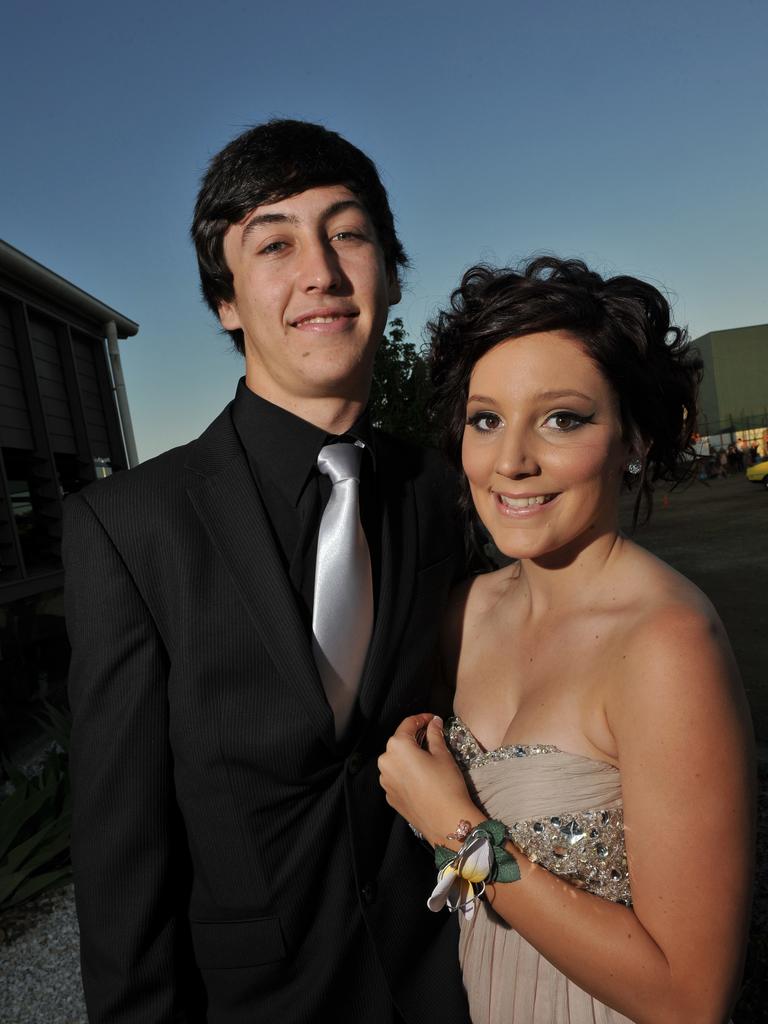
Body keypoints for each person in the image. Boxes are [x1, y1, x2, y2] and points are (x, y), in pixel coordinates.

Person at [63, 119, 471, 1023]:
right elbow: (123, 858)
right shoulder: (128, 528)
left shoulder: (444, 492)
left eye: (348, 232)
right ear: (227, 303)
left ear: (391, 273)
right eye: (274, 243)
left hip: (450, 989)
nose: (320, 271)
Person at [378, 257, 756, 1024]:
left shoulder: (665, 645)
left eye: (563, 418)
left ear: (636, 438)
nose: (512, 461)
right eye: (487, 419)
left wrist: (458, 834)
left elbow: (690, 999)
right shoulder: (463, 613)